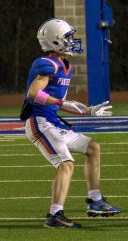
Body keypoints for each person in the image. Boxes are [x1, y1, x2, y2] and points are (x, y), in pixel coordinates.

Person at [22, 18, 119, 229]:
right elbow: (33, 93)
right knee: (66, 164)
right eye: (67, 38)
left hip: (53, 122)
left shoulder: (65, 66)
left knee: (93, 148)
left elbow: (59, 102)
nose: (71, 41)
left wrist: (87, 110)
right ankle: (54, 215)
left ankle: (95, 200)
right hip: (40, 122)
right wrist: (61, 103)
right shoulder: (47, 64)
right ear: (55, 40)